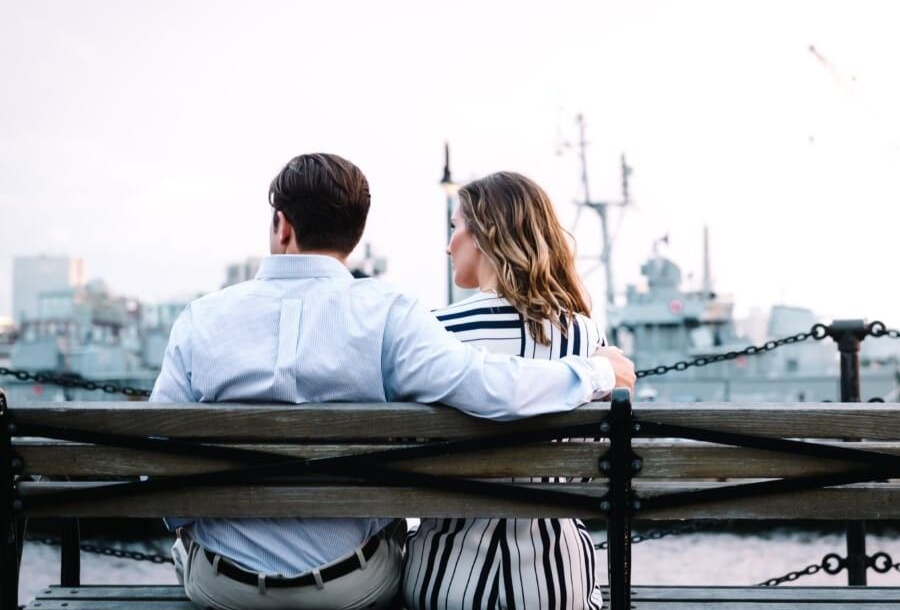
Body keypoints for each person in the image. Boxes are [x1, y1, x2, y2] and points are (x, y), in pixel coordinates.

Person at [150, 153, 636, 610]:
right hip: (352, 586)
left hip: (224, 587)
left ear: (282, 225)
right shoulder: (388, 315)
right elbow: (487, 385)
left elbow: (158, 459)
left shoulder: (201, 318)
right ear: (354, 236)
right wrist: (596, 371)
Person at [403, 171, 606, 610]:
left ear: (485, 235)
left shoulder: (434, 333)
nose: (447, 245)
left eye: (454, 228)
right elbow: (590, 471)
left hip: (443, 580)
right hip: (557, 583)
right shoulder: (585, 340)